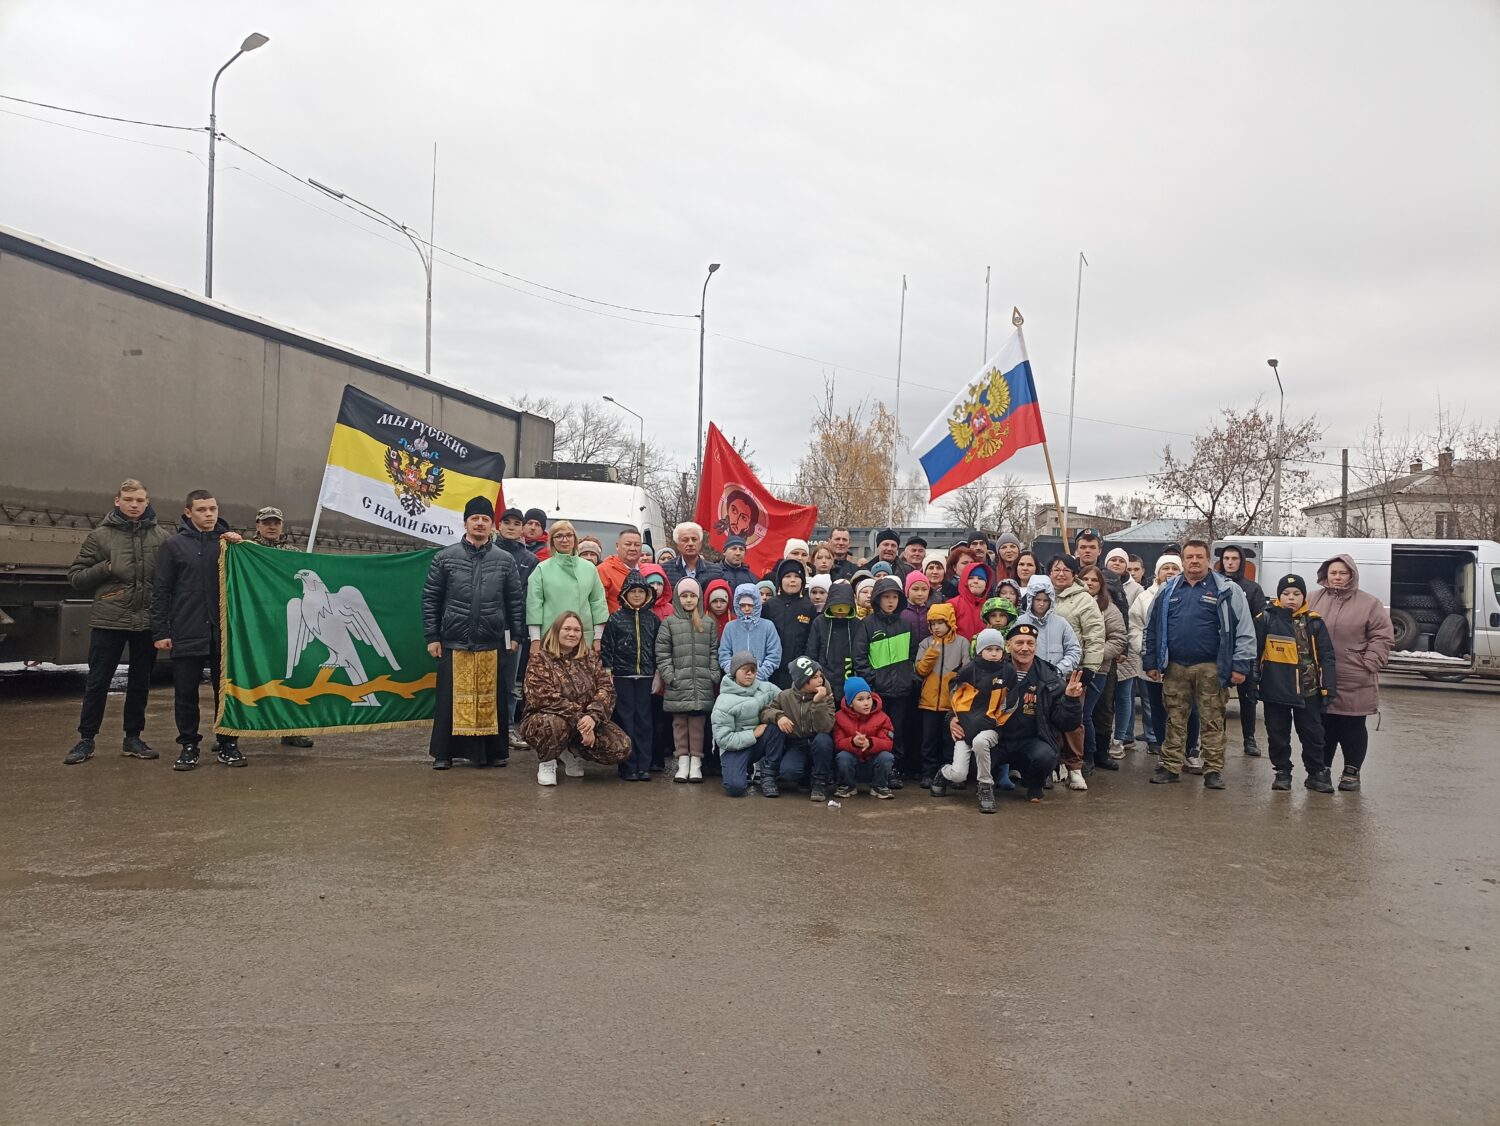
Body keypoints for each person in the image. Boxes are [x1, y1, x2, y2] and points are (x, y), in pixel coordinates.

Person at [64, 478, 172, 765]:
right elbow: (75, 577)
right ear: (117, 501)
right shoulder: (100, 537)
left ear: (147, 502)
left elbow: (170, 579)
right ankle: (86, 739)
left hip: (146, 621)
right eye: (129, 500)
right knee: (98, 682)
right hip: (109, 621)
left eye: (139, 500)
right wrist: (106, 567)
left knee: (140, 683)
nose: (134, 505)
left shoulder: (161, 537)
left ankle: (133, 738)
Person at [422, 496, 526, 770]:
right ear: (466, 522)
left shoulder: (504, 561)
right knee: (449, 700)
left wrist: (516, 636)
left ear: (492, 525)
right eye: (474, 519)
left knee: (492, 698)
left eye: (485, 519)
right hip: (453, 640)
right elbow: (431, 599)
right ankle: (444, 754)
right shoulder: (445, 557)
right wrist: (432, 637)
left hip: (492, 641)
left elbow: (515, 601)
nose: (479, 524)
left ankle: (492, 753)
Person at [1143, 538, 1257, 790]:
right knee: (1174, 718)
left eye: (1199, 557)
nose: (1194, 561)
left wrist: (1240, 666)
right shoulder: (1168, 590)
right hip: (1175, 666)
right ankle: (1171, 765)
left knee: (1212, 720)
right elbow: (1152, 627)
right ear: (1182, 561)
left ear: (1208, 560)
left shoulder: (1226, 590)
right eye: (1189, 557)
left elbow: (1245, 630)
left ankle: (1213, 770)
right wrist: (1150, 660)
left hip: (1211, 667)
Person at [150, 489, 245, 770]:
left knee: (225, 691)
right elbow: (161, 591)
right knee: (186, 693)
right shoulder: (174, 546)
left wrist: (243, 547)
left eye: (213, 509)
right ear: (188, 512)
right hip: (186, 628)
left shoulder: (230, 545)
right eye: (202, 509)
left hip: (223, 633)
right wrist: (160, 631)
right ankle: (189, 745)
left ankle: (228, 743)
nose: (209, 514)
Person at [946, 624, 1085, 807]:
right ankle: (988, 784)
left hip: (1030, 739)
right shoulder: (988, 669)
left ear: (1036, 646)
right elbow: (964, 698)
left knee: (1046, 756)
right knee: (972, 760)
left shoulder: (1049, 678)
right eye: (1019, 642)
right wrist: (951, 718)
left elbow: (1065, 722)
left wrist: (1071, 700)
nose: (1025, 648)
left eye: (1030, 643)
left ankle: (1034, 785)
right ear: (1008, 645)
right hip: (997, 738)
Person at [1306, 555, 1394, 792]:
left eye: (1342, 573)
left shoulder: (1369, 603)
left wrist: (1370, 661)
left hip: (1354, 675)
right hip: (1319, 675)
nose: (1337, 577)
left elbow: (1382, 635)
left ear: (1351, 575)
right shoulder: (1312, 599)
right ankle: (1321, 771)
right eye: (1333, 573)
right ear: (1326, 574)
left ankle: (1351, 772)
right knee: (1323, 725)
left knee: (1352, 726)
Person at [520, 611, 632, 784]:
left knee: (621, 746)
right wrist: (582, 720)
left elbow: (606, 689)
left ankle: (571, 751)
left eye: (577, 630)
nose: (572, 634)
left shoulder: (590, 658)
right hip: (545, 720)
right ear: (556, 631)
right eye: (567, 629)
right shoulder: (539, 659)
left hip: (587, 719)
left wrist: (593, 717)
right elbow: (544, 698)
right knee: (555, 724)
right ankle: (548, 762)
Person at [1258, 575, 1338, 793]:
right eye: (1286, 594)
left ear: (1303, 596)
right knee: (1277, 733)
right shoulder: (1266, 618)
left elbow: (1327, 656)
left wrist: (1328, 686)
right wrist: (1253, 683)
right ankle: (1282, 772)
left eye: (1296, 594)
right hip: (1275, 689)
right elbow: (1255, 654)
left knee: (1312, 733)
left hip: (1307, 690)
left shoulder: (1314, 622)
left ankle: (1316, 773)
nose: (1291, 598)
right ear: (1278, 595)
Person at [1017, 576, 1084, 788]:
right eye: (1037, 599)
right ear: (1030, 599)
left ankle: (1074, 768)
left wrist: (1059, 669)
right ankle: (1041, 769)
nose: (1041, 604)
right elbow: (1014, 650)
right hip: (1029, 684)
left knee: (1071, 723)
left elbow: (1074, 650)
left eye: (1046, 600)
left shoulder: (1061, 623)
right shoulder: (1021, 623)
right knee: (1035, 724)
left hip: (1056, 683)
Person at [853, 576, 916, 786]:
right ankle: (875, 769)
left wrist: (910, 678)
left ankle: (894, 769)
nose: (891, 601)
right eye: (886, 597)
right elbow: (859, 657)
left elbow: (913, 655)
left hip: (901, 690)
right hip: (877, 691)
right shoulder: (867, 625)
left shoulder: (906, 625)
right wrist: (873, 680)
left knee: (895, 731)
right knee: (875, 730)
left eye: (895, 597)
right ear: (877, 599)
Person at [1049, 554, 1107, 780]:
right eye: (1056, 569)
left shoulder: (1085, 600)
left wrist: (1090, 667)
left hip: (1075, 669)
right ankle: (1055, 763)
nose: (1060, 573)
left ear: (1074, 574)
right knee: (1049, 717)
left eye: (1066, 569)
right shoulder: (1044, 595)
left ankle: (1075, 764)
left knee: (1074, 720)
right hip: (1048, 669)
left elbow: (1094, 636)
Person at [600, 570, 661, 782]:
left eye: (641, 592)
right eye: (632, 591)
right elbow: (607, 647)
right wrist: (608, 672)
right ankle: (627, 765)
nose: (637, 595)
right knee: (626, 721)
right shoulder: (616, 619)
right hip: (622, 678)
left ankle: (644, 766)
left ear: (647, 594)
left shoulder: (652, 619)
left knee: (644, 721)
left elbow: (658, 648)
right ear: (625, 593)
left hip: (645, 677)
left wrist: (658, 674)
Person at [656, 578, 718, 783]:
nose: (689, 600)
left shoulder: (708, 623)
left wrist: (712, 674)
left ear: (699, 598)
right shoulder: (669, 623)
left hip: (701, 684)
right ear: (677, 598)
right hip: (678, 683)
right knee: (680, 725)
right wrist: (670, 676)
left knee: (698, 725)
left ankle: (696, 764)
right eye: (684, 596)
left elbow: (713, 652)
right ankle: (682, 762)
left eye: (693, 596)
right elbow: (662, 653)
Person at [1216, 543, 1269, 758]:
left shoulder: (1252, 588)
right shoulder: (1216, 584)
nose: (1230, 562)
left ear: (1241, 562)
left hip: (1245, 652)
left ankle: (1249, 739)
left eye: (1234, 559)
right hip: (1220, 653)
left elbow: (1260, 622)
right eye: (1226, 558)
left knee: (1248, 698)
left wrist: (1253, 653)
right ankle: (1218, 738)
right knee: (1217, 698)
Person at [526, 519, 609, 653]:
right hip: (550, 639)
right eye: (559, 536)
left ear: (575, 539)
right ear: (552, 540)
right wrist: (535, 639)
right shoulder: (542, 569)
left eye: (569, 535)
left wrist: (598, 637)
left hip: (583, 640)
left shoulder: (590, 569)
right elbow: (534, 606)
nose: (564, 540)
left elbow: (598, 602)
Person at [760, 655, 837, 799]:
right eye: (815, 677)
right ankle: (805, 775)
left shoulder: (826, 696)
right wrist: (779, 716)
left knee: (823, 740)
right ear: (803, 681)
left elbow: (825, 727)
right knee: (788, 772)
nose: (820, 680)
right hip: (797, 744)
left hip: (817, 742)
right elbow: (765, 712)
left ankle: (819, 783)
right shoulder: (785, 696)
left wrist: (818, 702)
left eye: (820, 676)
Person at [495, 507, 541, 745]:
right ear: (499, 525)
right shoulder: (487, 551)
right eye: (507, 522)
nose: (511, 527)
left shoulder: (530, 560)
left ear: (522, 528)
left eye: (516, 523)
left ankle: (508, 728)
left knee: (510, 683)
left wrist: (521, 631)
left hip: (513, 631)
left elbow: (530, 599)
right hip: (486, 628)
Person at [711, 650, 783, 797]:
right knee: (735, 788)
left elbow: (788, 700)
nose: (749, 674)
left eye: (753, 670)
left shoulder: (767, 688)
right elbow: (723, 739)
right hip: (733, 748)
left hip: (758, 743)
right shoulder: (723, 701)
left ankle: (768, 775)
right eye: (745, 670)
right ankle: (744, 768)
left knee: (776, 726)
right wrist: (753, 733)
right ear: (735, 672)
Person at [916, 603, 969, 796]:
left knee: (950, 741)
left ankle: (951, 774)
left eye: (941, 622)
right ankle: (929, 773)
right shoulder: (926, 643)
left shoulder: (962, 642)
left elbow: (967, 669)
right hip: (929, 702)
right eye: (933, 623)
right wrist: (931, 653)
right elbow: (920, 670)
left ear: (950, 622)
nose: (937, 627)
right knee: (928, 741)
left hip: (952, 704)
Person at [1080, 565, 1127, 772]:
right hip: (1075, 667)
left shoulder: (1109, 608)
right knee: (1080, 713)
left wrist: (1094, 654)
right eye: (1085, 579)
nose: (1089, 583)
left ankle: (1099, 753)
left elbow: (1118, 640)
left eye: (1094, 580)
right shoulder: (1072, 603)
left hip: (1100, 669)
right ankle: (1080, 754)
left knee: (1101, 711)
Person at [832, 676, 896, 799]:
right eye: (860, 699)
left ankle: (879, 785)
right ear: (850, 703)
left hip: (873, 763)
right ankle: (848, 785)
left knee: (886, 757)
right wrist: (853, 742)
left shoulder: (883, 717)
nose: (866, 703)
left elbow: (888, 743)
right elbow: (838, 742)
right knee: (843, 756)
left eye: (868, 698)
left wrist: (870, 743)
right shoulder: (839, 717)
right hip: (853, 763)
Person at [762, 558, 814, 688]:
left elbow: (811, 640)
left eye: (797, 576)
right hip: (773, 669)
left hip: (799, 670)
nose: (792, 580)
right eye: (787, 576)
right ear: (780, 579)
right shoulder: (770, 606)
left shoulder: (808, 607)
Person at [807, 579, 860, 702]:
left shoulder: (856, 624)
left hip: (848, 679)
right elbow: (812, 651)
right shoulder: (820, 622)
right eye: (837, 608)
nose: (840, 614)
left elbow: (860, 653)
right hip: (824, 679)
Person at [718, 583, 781, 682]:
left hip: (761, 681)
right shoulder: (730, 627)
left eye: (750, 605)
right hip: (736, 682)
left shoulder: (768, 626)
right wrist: (735, 673)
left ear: (756, 604)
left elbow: (774, 654)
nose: (746, 609)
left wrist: (760, 673)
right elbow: (724, 654)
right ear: (737, 605)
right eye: (742, 605)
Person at [663, 521, 723, 589]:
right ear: (677, 545)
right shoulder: (665, 570)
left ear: (700, 543)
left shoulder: (715, 571)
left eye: (694, 539)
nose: (690, 543)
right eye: (685, 540)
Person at [597, 527, 644, 613]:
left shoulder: (647, 570)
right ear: (617, 546)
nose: (632, 548)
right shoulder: (604, 570)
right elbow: (599, 604)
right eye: (628, 544)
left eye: (637, 545)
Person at [949, 560, 993, 639]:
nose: (975, 581)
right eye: (971, 578)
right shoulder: (952, 605)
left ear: (987, 584)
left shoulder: (991, 607)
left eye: (980, 578)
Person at [902, 571, 934, 647]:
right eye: (915, 589)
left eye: (924, 589)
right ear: (907, 591)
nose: (920, 593)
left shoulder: (931, 611)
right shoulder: (901, 612)